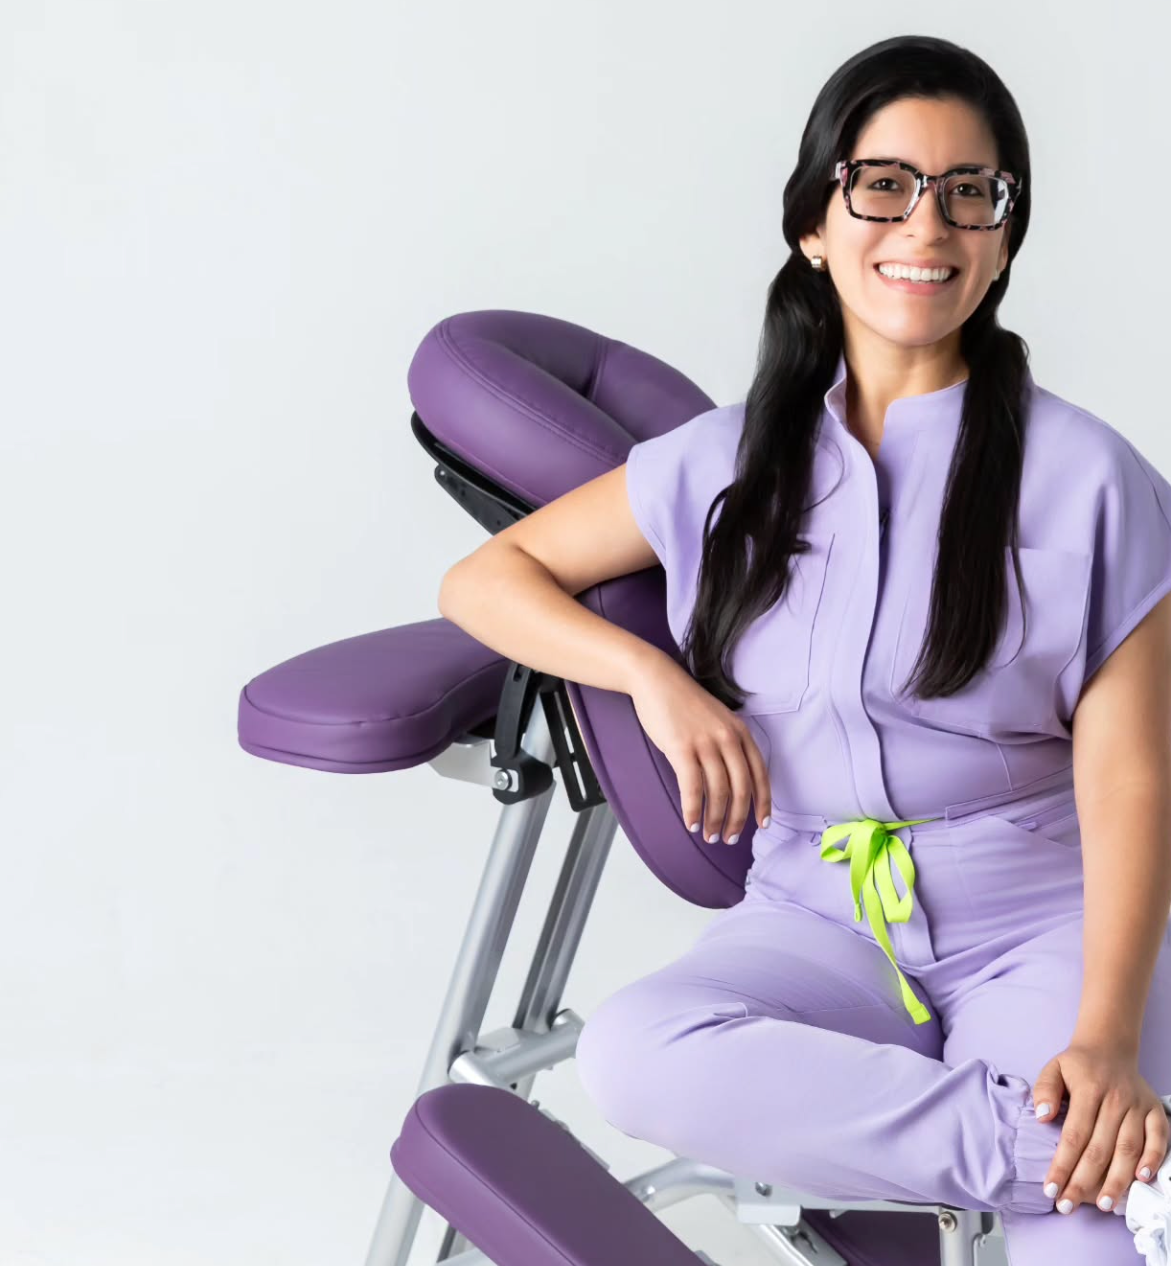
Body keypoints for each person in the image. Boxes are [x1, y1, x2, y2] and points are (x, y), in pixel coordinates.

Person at [438, 33, 1171, 1266]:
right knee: (633, 1053)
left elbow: (1130, 779)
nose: (924, 226)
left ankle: (1094, 1170)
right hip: (817, 917)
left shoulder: (1090, 477)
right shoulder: (722, 464)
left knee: (1090, 1252)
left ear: (998, 238)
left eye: (967, 192)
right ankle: (1084, 1163)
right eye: (881, 184)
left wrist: (1102, 1037)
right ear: (812, 226)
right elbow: (484, 579)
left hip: (1039, 915)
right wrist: (649, 679)